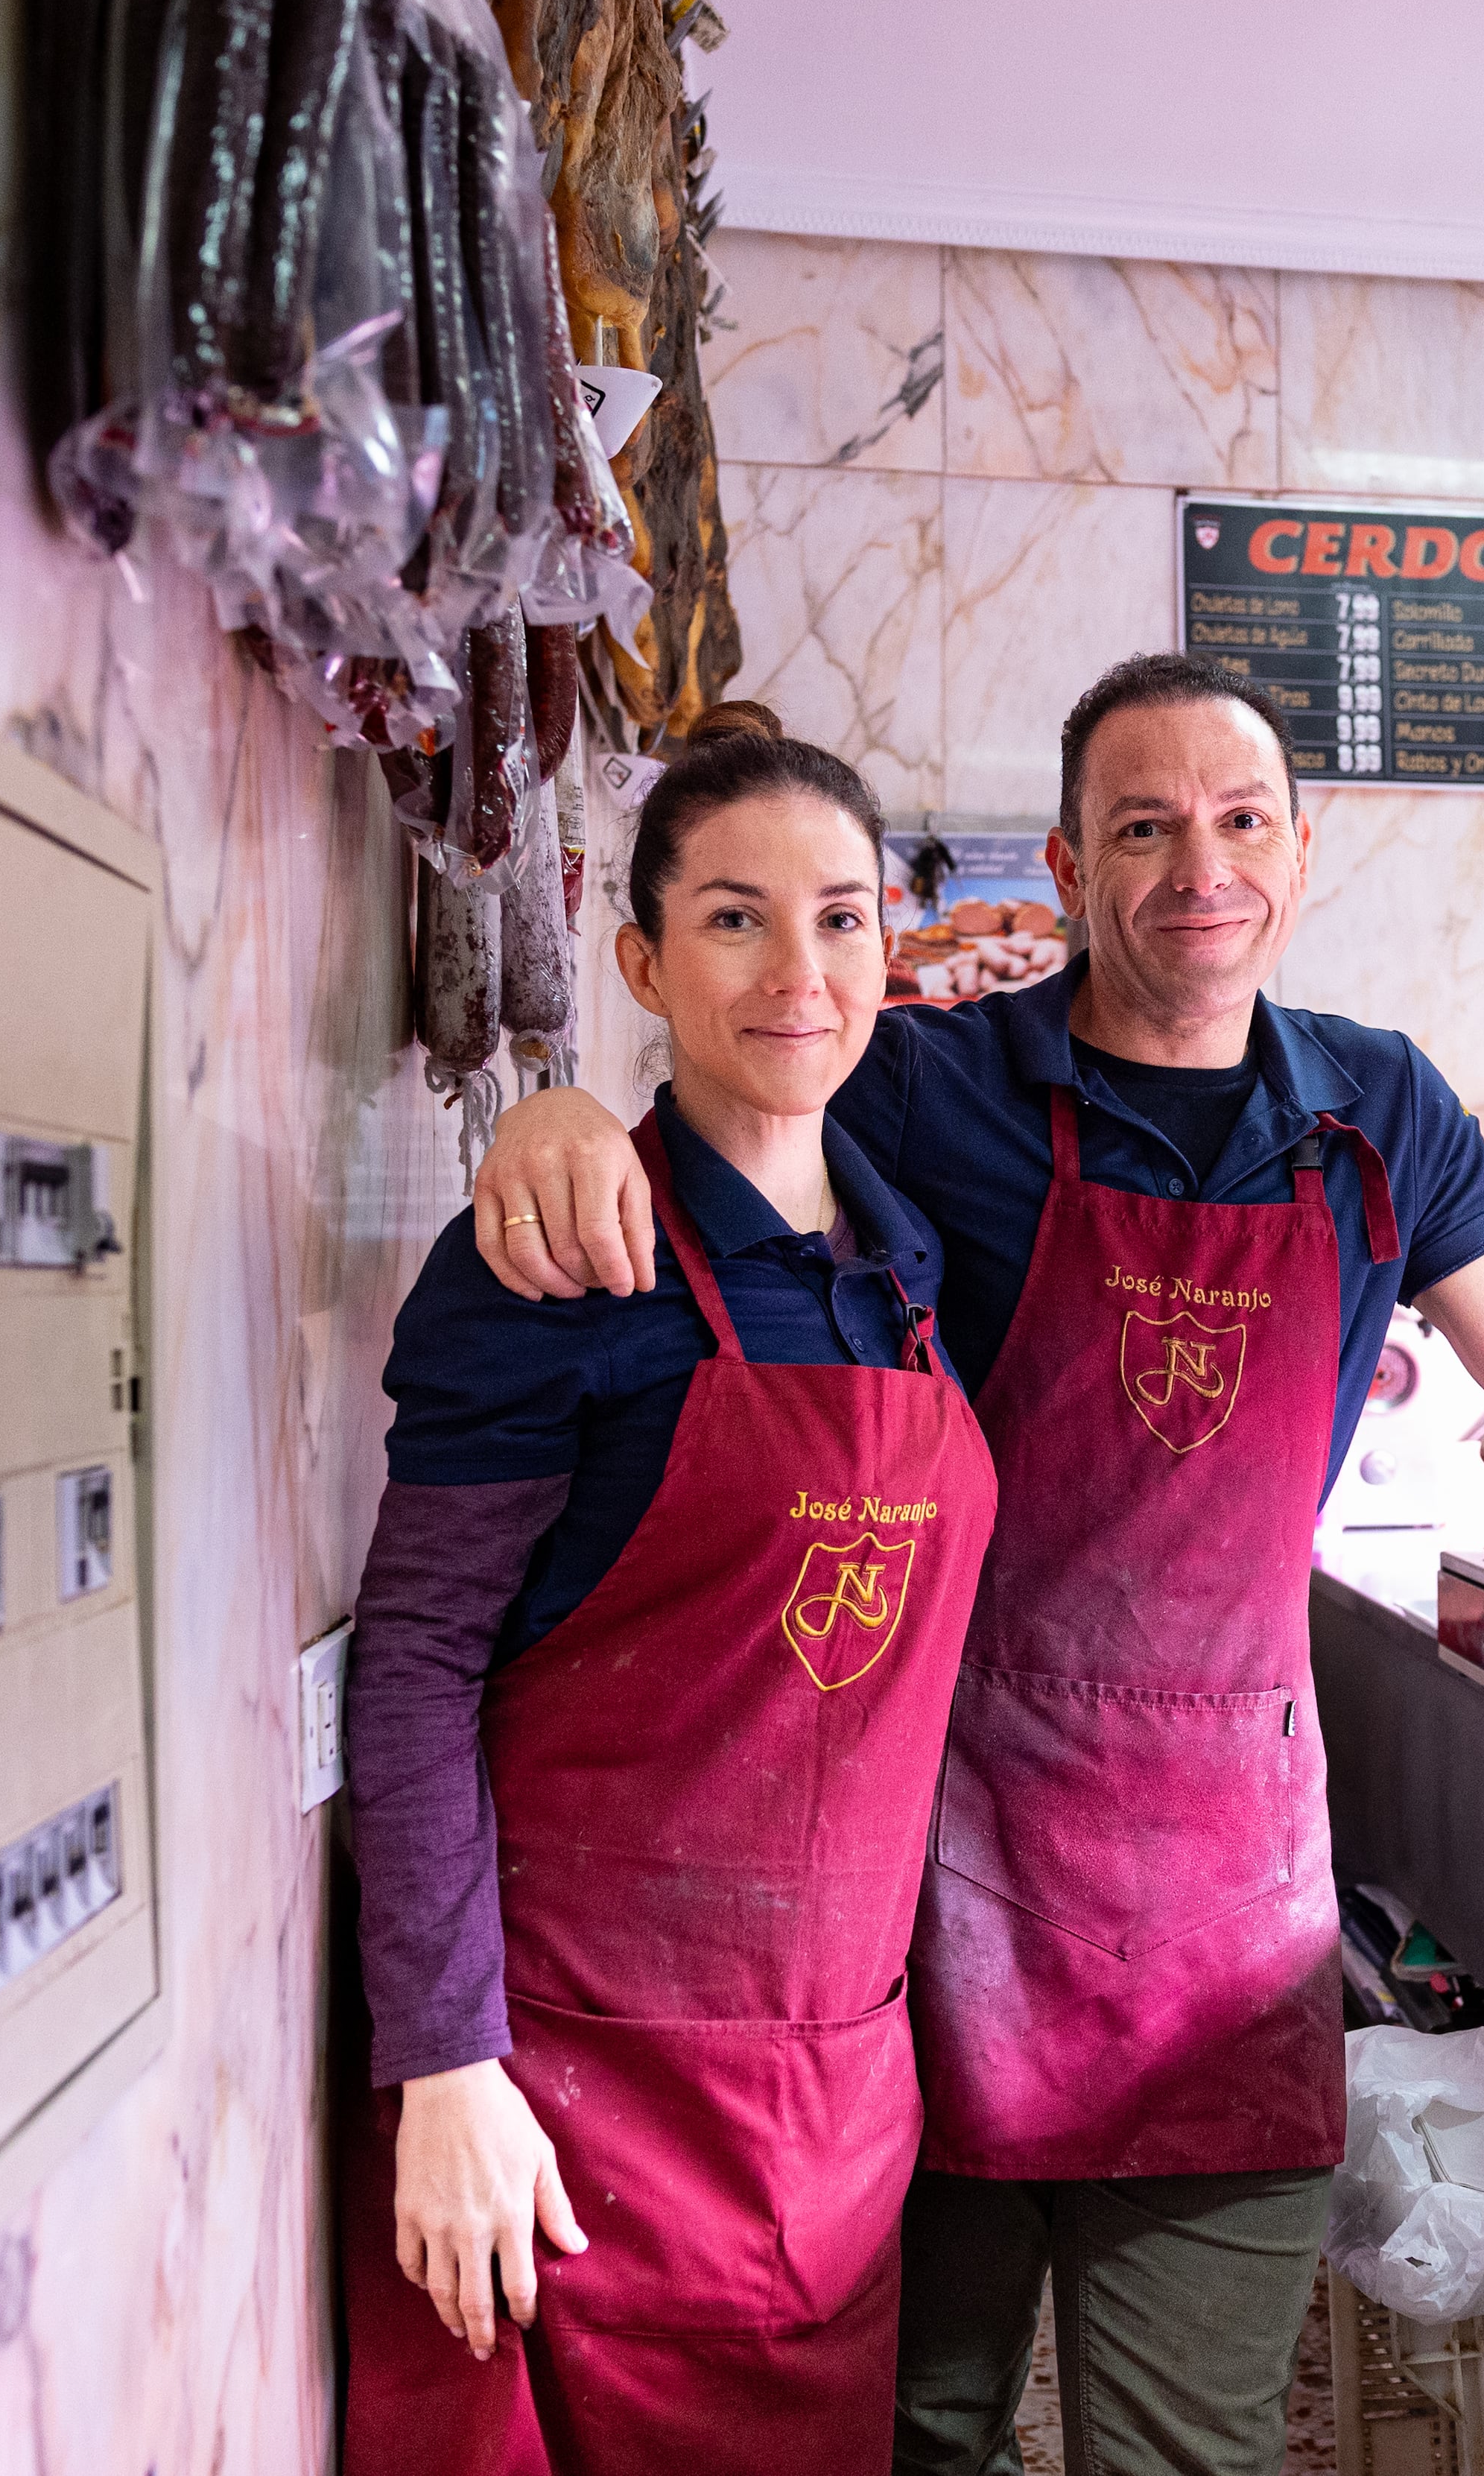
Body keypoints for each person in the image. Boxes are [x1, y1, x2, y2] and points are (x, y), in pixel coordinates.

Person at [465, 655, 1484, 2475]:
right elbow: (712, 1124)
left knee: (1190, 2454)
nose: (1197, 864)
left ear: (1300, 854)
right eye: (1142, 826)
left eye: (1239, 820)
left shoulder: (1377, 1115)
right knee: (912, 2436)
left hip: (1220, 1908)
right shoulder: (929, 1089)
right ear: (1070, 873)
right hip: (929, 1893)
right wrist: (554, 1115)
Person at [337, 705, 999, 2471]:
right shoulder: (559, 1253)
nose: (799, 967)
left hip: (832, 2101)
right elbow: (411, 1664)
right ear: (639, 955)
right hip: (558, 2105)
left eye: (843, 915)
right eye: (732, 915)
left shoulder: (912, 1264)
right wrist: (444, 2065)